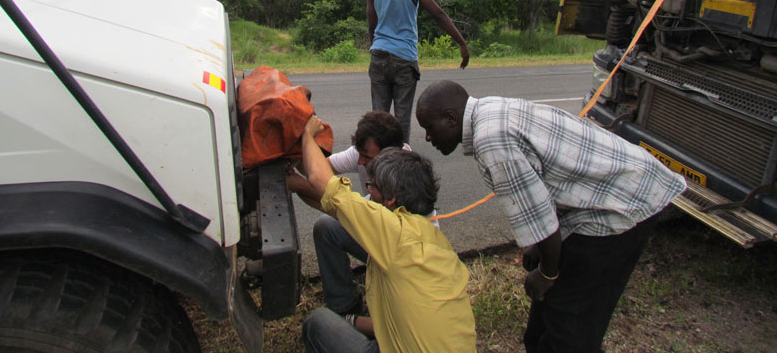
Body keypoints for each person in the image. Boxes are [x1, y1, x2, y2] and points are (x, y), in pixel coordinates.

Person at [415, 80, 687, 353]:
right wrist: (539, 249)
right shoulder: (488, 110)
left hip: (622, 204)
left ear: (450, 118)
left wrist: (547, 272)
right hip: (603, 198)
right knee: (543, 327)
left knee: (570, 330)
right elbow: (543, 186)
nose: (428, 138)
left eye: (429, 129)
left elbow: (543, 223)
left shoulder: (492, 141)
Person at [299, 116, 476, 353]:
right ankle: (346, 311)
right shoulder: (438, 244)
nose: (368, 192)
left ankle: (342, 310)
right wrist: (351, 321)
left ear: (391, 198)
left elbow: (321, 183)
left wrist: (307, 135)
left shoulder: (390, 233)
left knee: (318, 323)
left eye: (371, 187)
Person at [288, 111, 412, 316]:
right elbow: (319, 170)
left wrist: (307, 139)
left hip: (401, 254)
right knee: (326, 226)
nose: (361, 161)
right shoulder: (365, 154)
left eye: (367, 157)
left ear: (389, 154)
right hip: (375, 229)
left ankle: (362, 315)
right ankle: (343, 304)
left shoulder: (401, 174)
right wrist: (296, 149)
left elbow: (325, 189)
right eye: (360, 154)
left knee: (331, 217)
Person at [367, 0, 469, 143]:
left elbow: (372, 23)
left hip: (378, 56)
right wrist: (461, 43)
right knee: (401, 118)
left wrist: (376, 47)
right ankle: (399, 164)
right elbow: (438, 14)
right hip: (403, 59)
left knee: (378, 117)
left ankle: (376, 161)